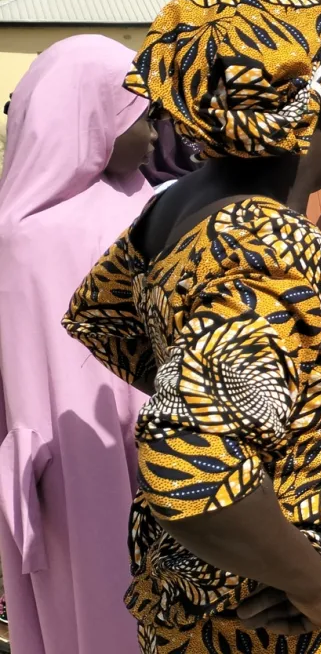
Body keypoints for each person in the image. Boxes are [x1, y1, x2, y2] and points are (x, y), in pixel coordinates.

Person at [61, 0, 321, 652]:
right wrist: (310, 581)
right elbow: (188, 460)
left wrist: (268, 412)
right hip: (283, 621)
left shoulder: (176, 203)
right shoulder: (266, 242)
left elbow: (108, 321)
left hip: (217, 593)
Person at [0, 35, 154, 654]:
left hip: (154, 450)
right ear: (89, 116)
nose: (153, 133)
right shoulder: (24, 239)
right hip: (66, 470)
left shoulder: (148, 208)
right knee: (89, 607)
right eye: (138, 114)